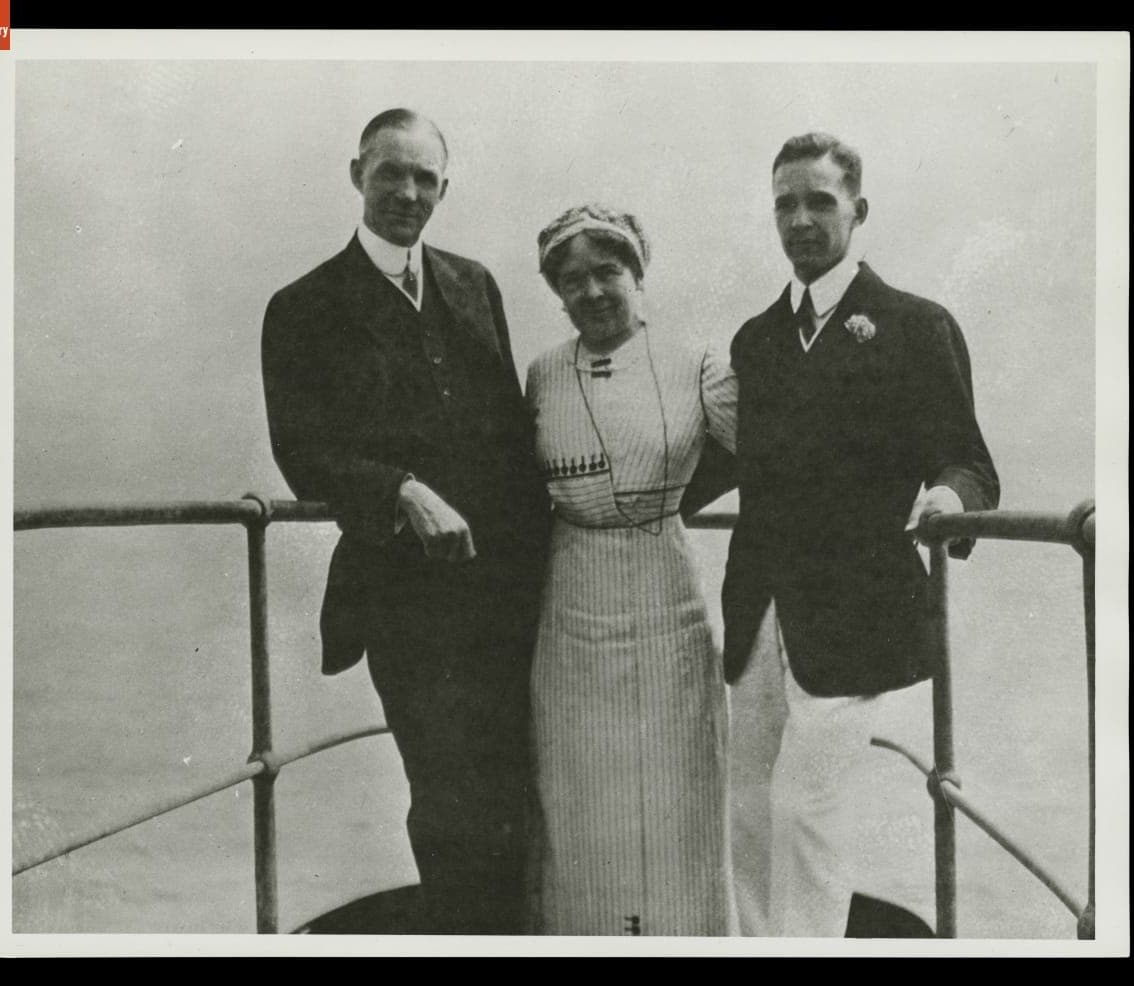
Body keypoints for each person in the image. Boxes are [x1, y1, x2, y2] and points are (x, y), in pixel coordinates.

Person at [261, 109, 552, 934]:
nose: (408, 192)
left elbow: (507, 435)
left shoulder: (474, 284)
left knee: (514, 785)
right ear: (357, 173)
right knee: (447, 790)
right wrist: (399, 491)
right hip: (402, 599)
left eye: (426, 178)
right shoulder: (304, 306)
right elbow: (303, 450)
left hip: (505, 593)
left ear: (444, 190)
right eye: (391, 172)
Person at [723, 133, 1000, 937]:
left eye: (820, 201)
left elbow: (969, 461)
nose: (801, 219)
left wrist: (946, 496)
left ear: (859, 209)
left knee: (805, 810)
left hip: (854, 612)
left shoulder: (915, 326)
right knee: (746, 808)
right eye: (785, 203)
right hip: (759, 607)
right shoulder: (757, 339)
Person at [526, 204, 738, 936]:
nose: (591, 291)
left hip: (666, 594)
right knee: (580, 790)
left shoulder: (695, 364)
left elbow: (767, 454)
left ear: (637, 273)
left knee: (680, 791)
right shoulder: (543, 375)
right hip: (571, 597)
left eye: (607, 272)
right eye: (572, 279)